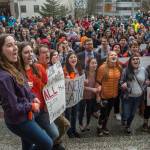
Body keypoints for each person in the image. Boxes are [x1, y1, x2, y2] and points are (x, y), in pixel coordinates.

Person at [0, 34, 53, 150]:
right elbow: (13, 108)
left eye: (15, 44)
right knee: (47, 143)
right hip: (19, 121)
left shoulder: (14, 67)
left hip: (27, 115)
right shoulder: (4, 77)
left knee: (27, 146)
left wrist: (33, 97)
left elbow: (25, 89)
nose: (15, 48)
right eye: (9, 45)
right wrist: (31, 105)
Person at [18, 42, 64, 150]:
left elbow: (46, 86)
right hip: (28, 113)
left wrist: (50, 104)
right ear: (20, 55)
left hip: (42, 110)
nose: (29, 54)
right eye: (26, 52)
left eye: (30, 52)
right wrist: (23, 87)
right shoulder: (17, 72)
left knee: (54, 134)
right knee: (27, 142)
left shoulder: (38, 67)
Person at [96, 51, 122, 136]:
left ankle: (104, 126)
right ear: (108, 57)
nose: (113, 56)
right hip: (104, 96)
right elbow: (98, 82)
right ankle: (99, 128)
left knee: (108, 113)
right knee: (103, 114)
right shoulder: (102, 68)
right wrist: (98, 96)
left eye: (115, 55)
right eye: (111, 55)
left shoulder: (119, 67)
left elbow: (119, 81)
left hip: (114, 95)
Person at [120, 55, 147, 134]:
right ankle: (124, 118)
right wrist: (123, 85)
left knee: (132, 114)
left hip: (138, 97)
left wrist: (143, 88)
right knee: (126, 113)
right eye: (133, 59)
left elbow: (146, 81)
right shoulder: (126, 70)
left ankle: (128, 126)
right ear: (130, 62)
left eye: (137, 59)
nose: (136, 61)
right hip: (128, 97)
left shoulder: (143, 70)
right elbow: (121, 82)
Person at [63, 52, 83, 138]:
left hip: (76, 95)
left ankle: (74, 129)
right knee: (68, 114)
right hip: (67, 96)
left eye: (75, 57)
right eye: (71, 57)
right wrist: (65, 79)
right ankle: (69, 131)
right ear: (67, 60)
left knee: (75, 113)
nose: (73, 59)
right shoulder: (64, 69)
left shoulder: (79, 69)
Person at [78, 58, 100, 131]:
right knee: (81, 111)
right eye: (92, 63)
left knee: (89, 111)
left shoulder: (97, 73)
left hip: (92, 96)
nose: (94, 65)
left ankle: (87, 124)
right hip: (83, 96)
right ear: (88, 64)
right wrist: (92, 89)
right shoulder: (83, 73)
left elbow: (98, 84)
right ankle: (81, 124)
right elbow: (80, 86)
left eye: (95, 63)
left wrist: (97, 95)